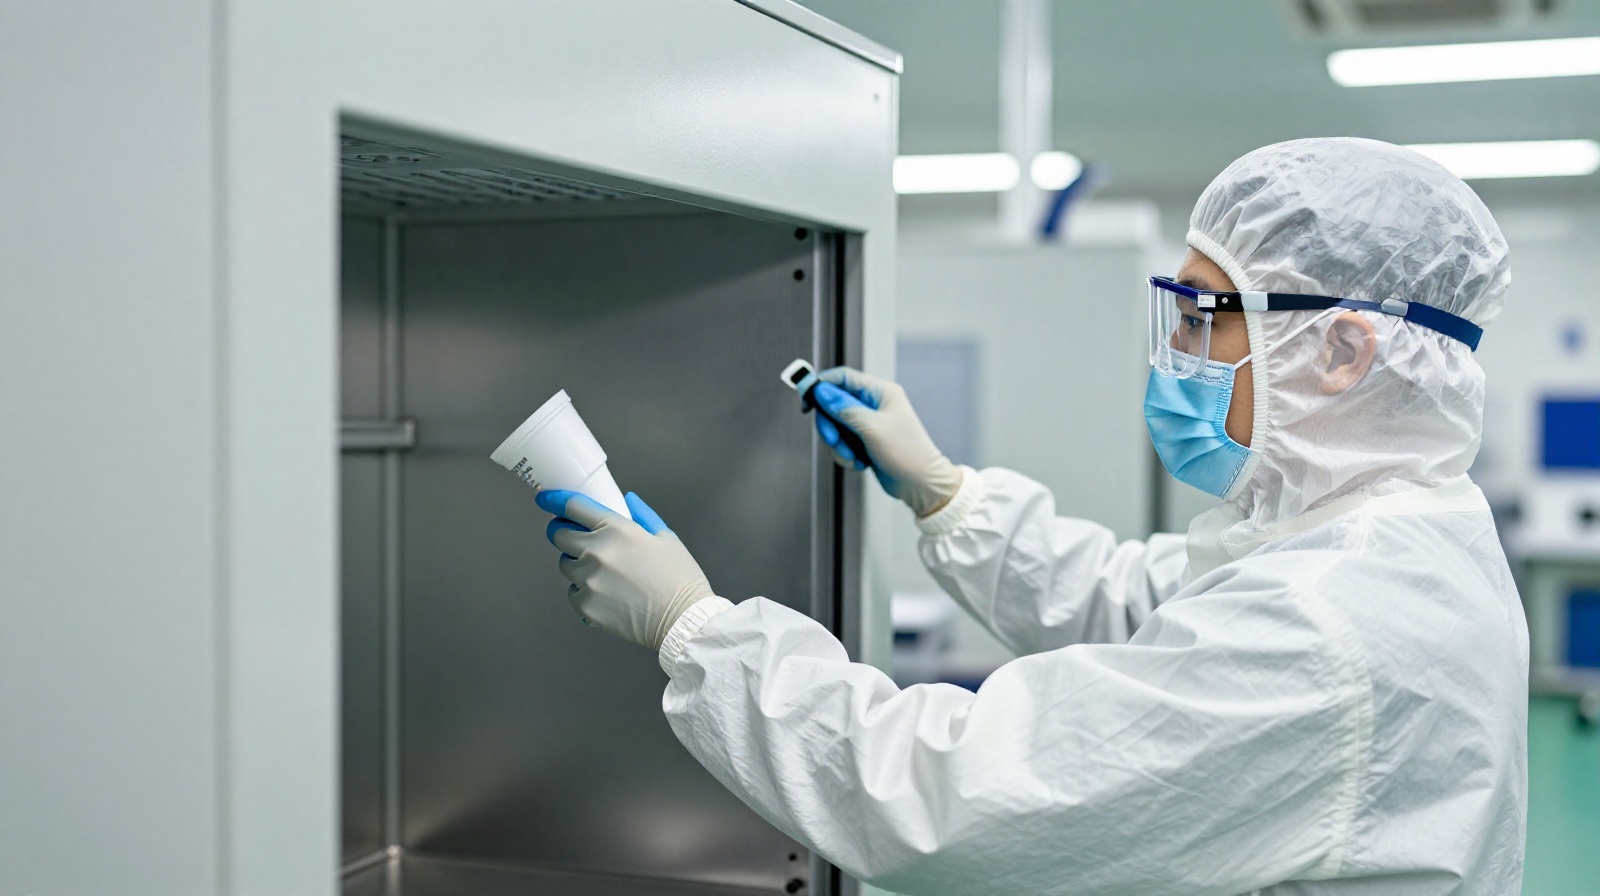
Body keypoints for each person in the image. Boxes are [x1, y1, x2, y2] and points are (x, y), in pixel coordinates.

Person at [535, 137, 1528, 894]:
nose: (1175, 351)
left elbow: (955, 791)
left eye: (1203, 315)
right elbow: (1149, 611)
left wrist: (697, 630)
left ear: (1344, 351)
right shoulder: (1388, 538)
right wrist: (946, 493)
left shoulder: (1335, 619)